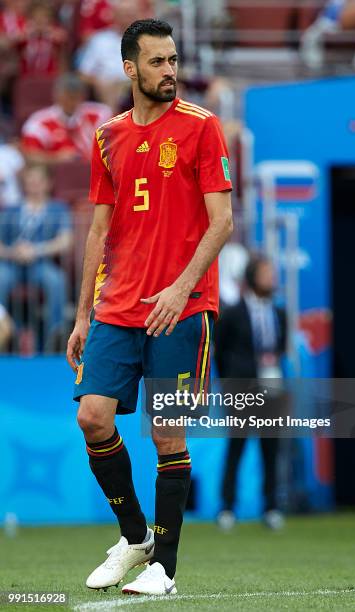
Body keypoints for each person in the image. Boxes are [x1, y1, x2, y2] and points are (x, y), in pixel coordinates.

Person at [67, 18, 233, 597]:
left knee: (167, 434)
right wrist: (84, 313)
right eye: (158, 62)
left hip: (181, 309)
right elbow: (98, 232)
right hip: (117, 304)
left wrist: (182, 287)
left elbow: (222, 222)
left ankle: (164, 566)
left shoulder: (202, 128)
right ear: (130, 68)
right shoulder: (107, 135)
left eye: (174, 60)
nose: (171, 71)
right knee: (92, 416)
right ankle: (136, 536)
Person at [214, 254, 287, 531]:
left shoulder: (279, 312)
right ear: (252, 277)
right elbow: (220, 352)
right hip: (242, 389)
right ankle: (227, 508)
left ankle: (271, 507)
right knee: (237, 446)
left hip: (272, 386)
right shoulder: (233, 313)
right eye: (267, 273)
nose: (272, 278)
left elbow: (279, 348)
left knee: (271, 447)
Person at [0, 164, 73, 348]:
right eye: (29, 181)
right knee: (1, 278)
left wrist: (36, 250)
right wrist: (12, 252)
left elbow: (65, 241)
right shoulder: (11, 210)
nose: (33, 185)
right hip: (11, 263)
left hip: (41, 263)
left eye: (38, 181)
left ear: (48, 183)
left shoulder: (58, 209)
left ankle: (54, 337)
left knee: (56, 281)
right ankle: (5, 335)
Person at [77, 0, 153, 110]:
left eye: (130, 14)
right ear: (114, 16)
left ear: (139, 16)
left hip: (138, 83)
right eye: (123, 14)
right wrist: (98, 82)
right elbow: (83, 73)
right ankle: (113, 124)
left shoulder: (150, 40)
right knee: (108, 85)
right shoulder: (100, 40)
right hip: (110, 86)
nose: (127, 18)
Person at [21, 72, 112, 163]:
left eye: (75, 97)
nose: (71, 102)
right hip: (56, 173)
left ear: (83, 96)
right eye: (68, 97)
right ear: (57, 96)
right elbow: (30, 154)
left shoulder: (99, 114)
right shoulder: (40, 122)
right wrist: (57, 158)